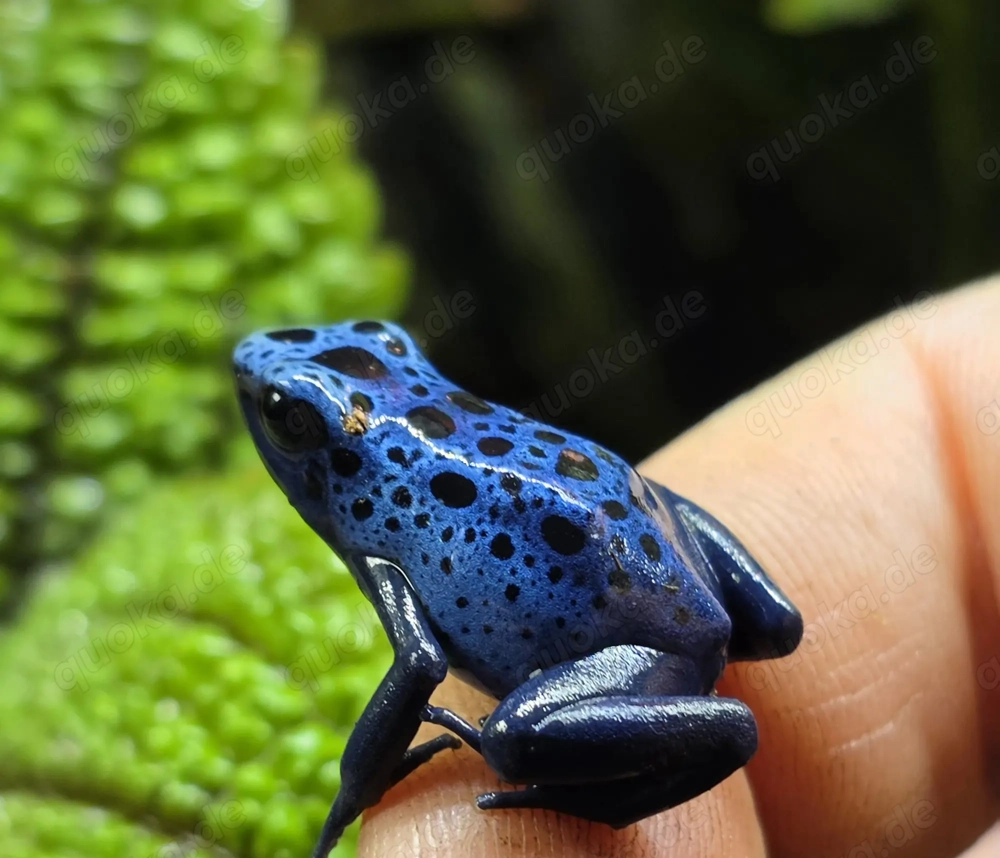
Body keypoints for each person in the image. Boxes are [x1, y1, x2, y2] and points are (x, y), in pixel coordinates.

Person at [355, 278, 1000, 858]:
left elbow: (420, 663)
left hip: (641, 651)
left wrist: (355, 784)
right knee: (761, 626)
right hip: (641, 564)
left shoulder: (375, 520)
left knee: (510, 740)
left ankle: (622, 785)